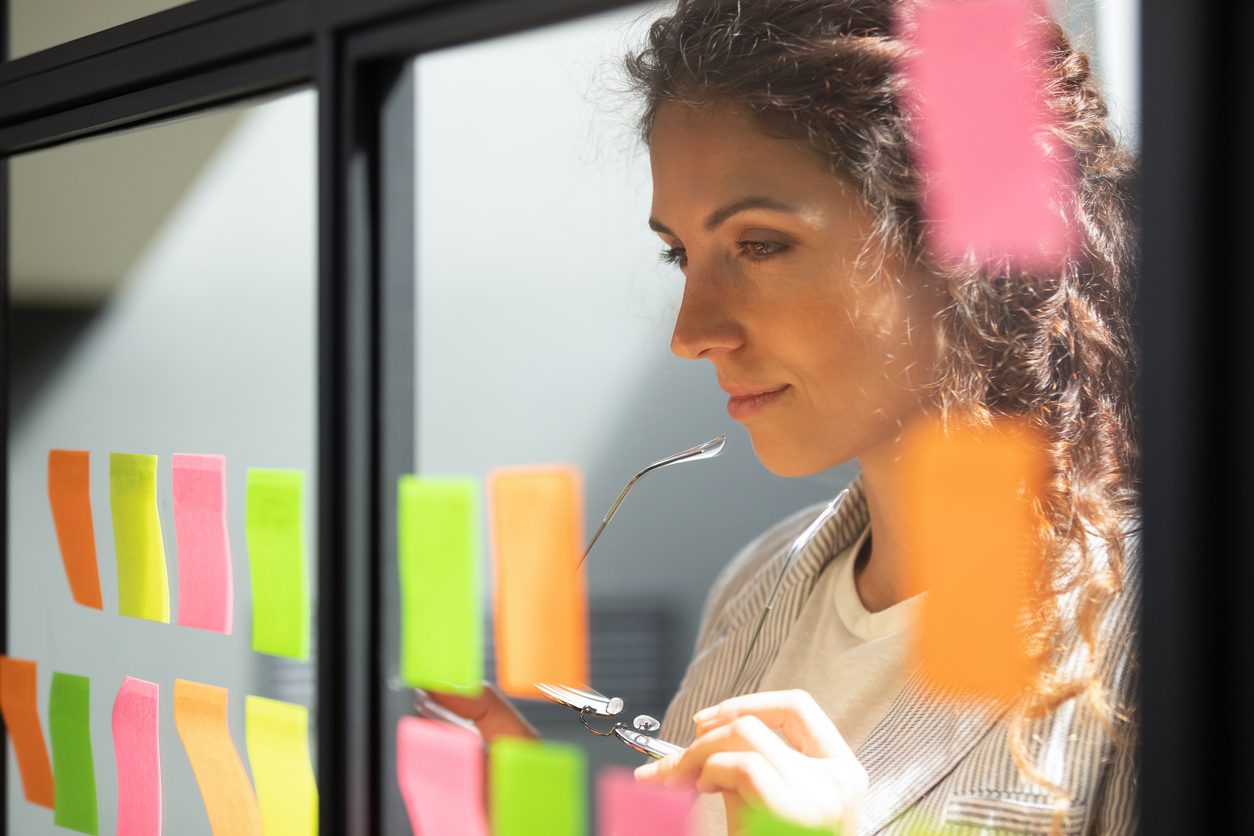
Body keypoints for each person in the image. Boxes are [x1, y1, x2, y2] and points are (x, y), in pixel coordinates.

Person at [432, 1, 1141, 833]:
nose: (690, 335)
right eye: (680, 254)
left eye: (759, 245)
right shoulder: (757, 585)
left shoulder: (1153, 629)